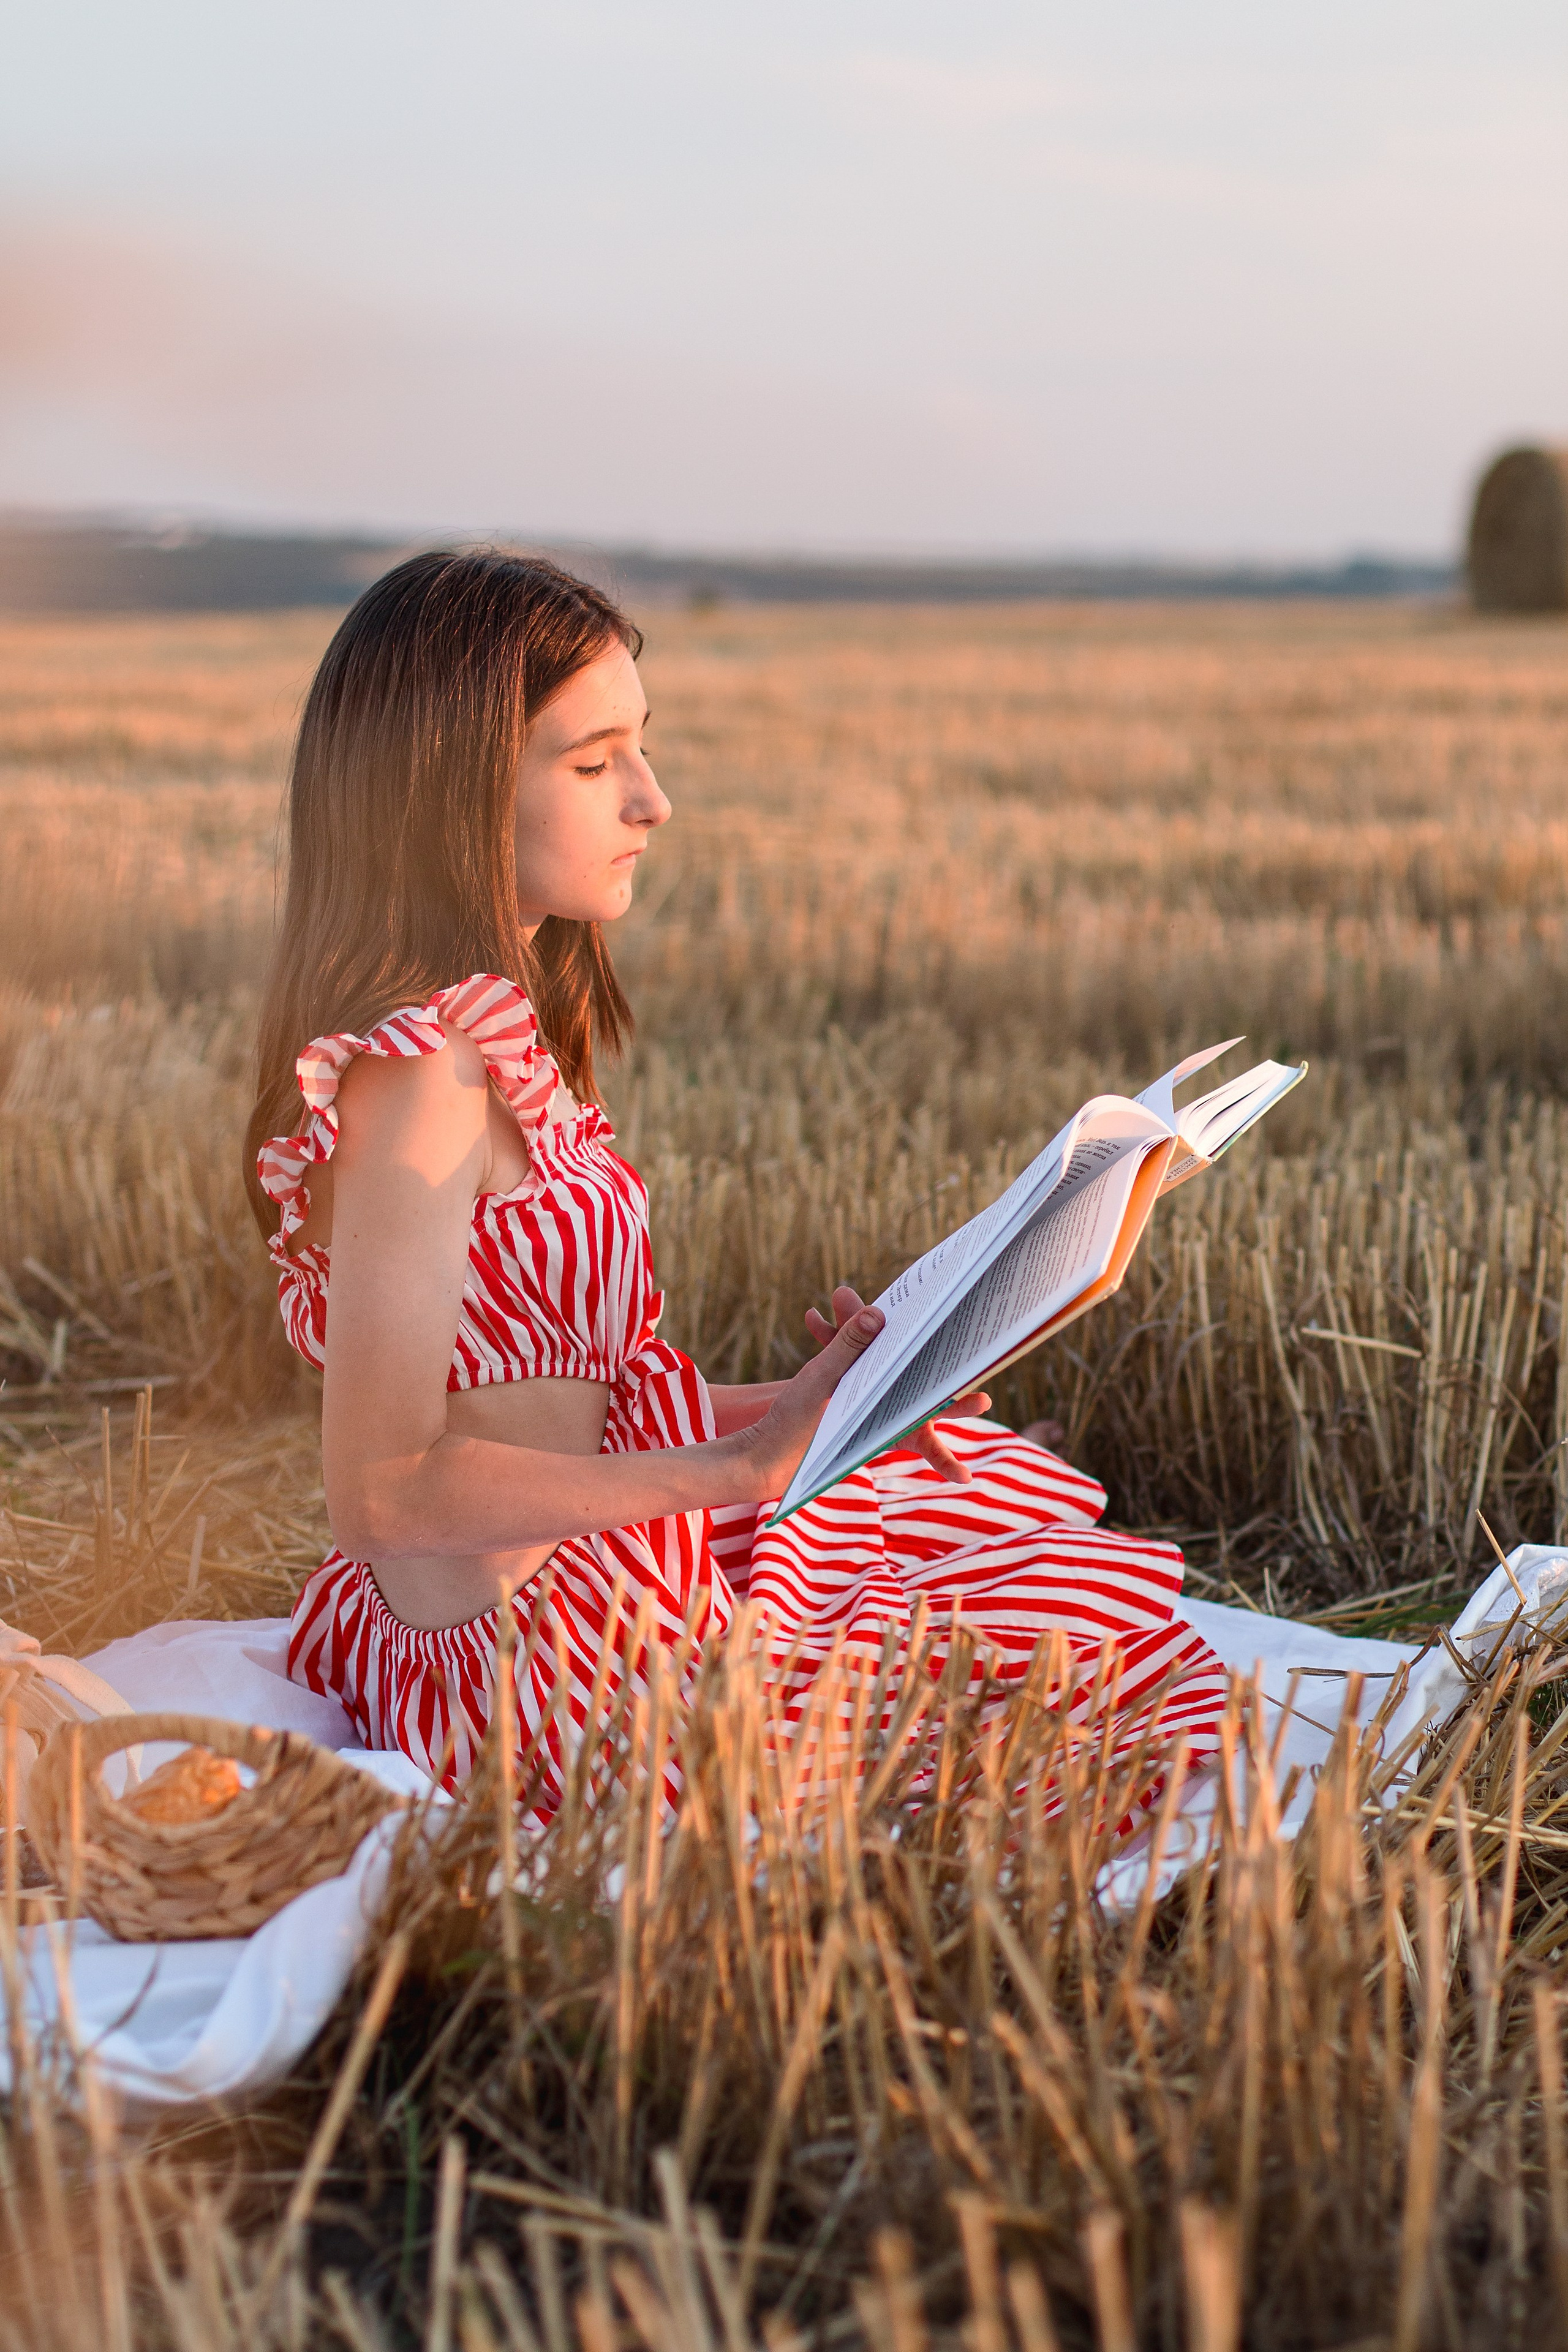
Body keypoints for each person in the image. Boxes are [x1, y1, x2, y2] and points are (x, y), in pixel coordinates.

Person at [246, 551, 1226, 1820]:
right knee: (1059, 1663)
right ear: (446, 792)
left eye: (639, 750)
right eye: (593, 764)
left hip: (588, 1579)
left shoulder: (485, 1040)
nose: (650, 801)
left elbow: (535, 1399)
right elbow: (382, 1494)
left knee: (958, 1479)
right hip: (554, 1671)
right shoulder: (423, 1077)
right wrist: (737, 1475)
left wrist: (824, 1404)